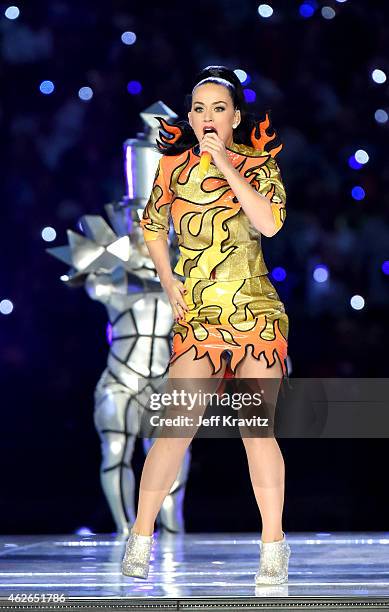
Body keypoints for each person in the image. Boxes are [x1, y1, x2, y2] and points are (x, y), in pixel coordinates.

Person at [121, 65, 291, 585]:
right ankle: (140, 538)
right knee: (175, 429)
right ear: (190, 117)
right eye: (199, 109)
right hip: (198, 317)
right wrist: (168, 280)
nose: (208, 117)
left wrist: (226, 163)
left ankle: (273, 547)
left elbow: (268, 223)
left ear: (236, 117)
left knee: (256, 430)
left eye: (219, 109)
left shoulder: (259, 163)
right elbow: (151, 224)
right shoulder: (172, 167)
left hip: (256, 317)